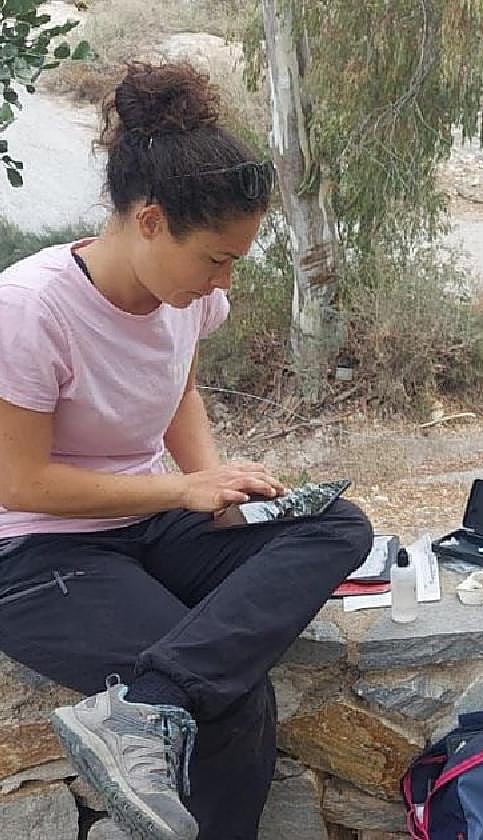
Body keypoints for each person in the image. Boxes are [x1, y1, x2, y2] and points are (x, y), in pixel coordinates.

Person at [0, 62, 373, 840]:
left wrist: (212, 481)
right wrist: (180, 492)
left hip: (143, 529)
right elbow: (20, 482)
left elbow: (179, 391)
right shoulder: (29, 309)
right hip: (35, 557)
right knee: (234, 695)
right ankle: (160, 707)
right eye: (215, 258)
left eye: (237, 260)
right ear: (149, 219)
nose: (223, 280)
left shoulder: (187, 301)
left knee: (337, 526)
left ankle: (146, 709)